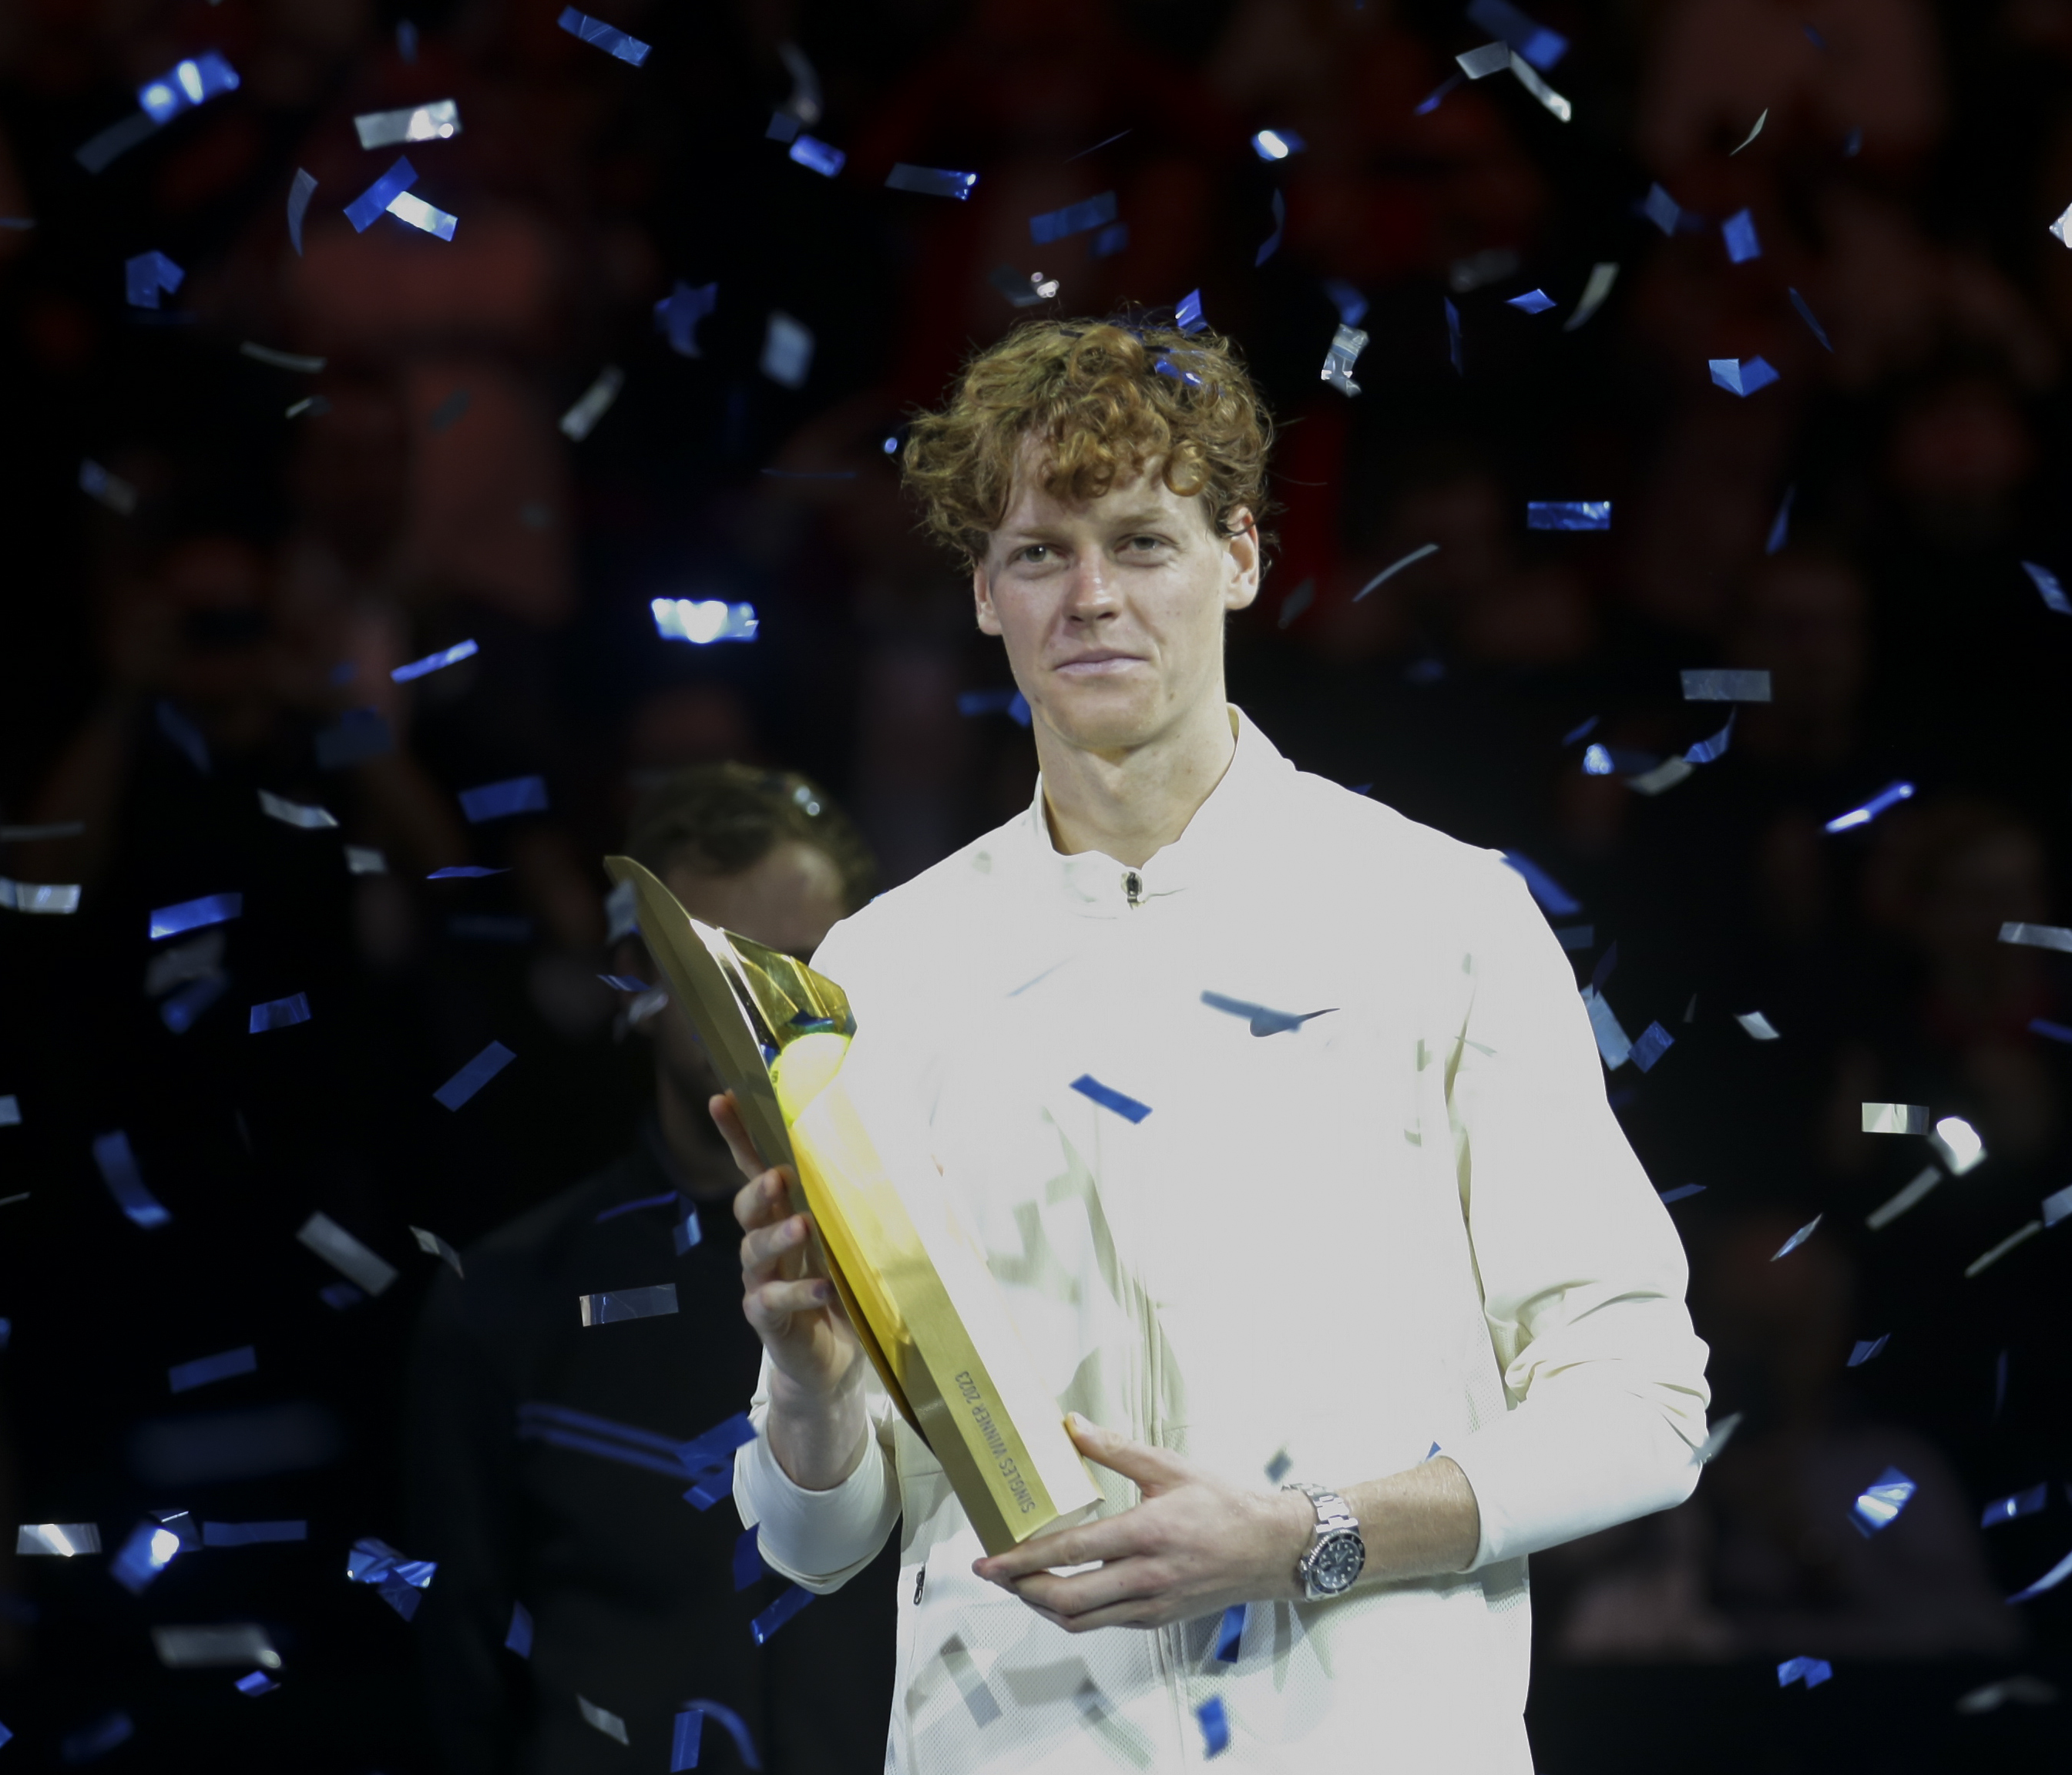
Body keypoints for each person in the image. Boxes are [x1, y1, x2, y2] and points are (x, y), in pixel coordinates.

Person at [719, 318, 1714, 1771]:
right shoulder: (886, 972)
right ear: (985, 594)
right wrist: (807, 1383)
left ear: (1240, 556)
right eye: (1042, 554)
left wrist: (1309, 1538)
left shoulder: (1438, 912)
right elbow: (815, 1543)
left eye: (1143, 543)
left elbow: (1643, 1404)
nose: (1093, 598)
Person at [406, 765, 898, 1774]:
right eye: (722, 972)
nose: (766, 1013)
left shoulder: (943, 1279)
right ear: (635, 977)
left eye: (801, 966)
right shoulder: (505, 1300)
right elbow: (457, 1671)